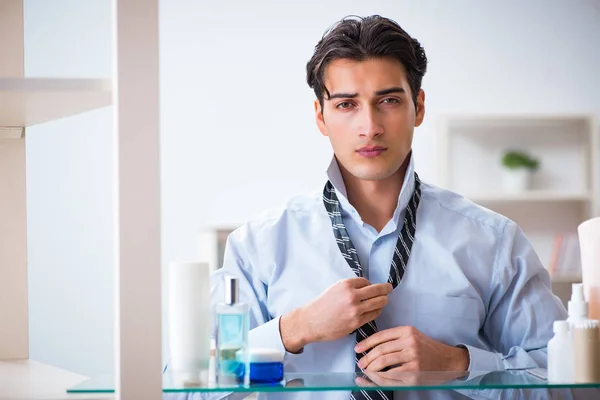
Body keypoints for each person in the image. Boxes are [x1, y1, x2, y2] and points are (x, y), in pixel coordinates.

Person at [208, 14, 567, 400]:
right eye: (347, 104)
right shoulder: (259, 245)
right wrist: (294, 330)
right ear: (320, 116)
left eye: (389, 101)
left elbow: (564, 383)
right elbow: (192, 387)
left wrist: (455, 365)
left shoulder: (495, 242)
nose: (370, 126)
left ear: (418, 107)